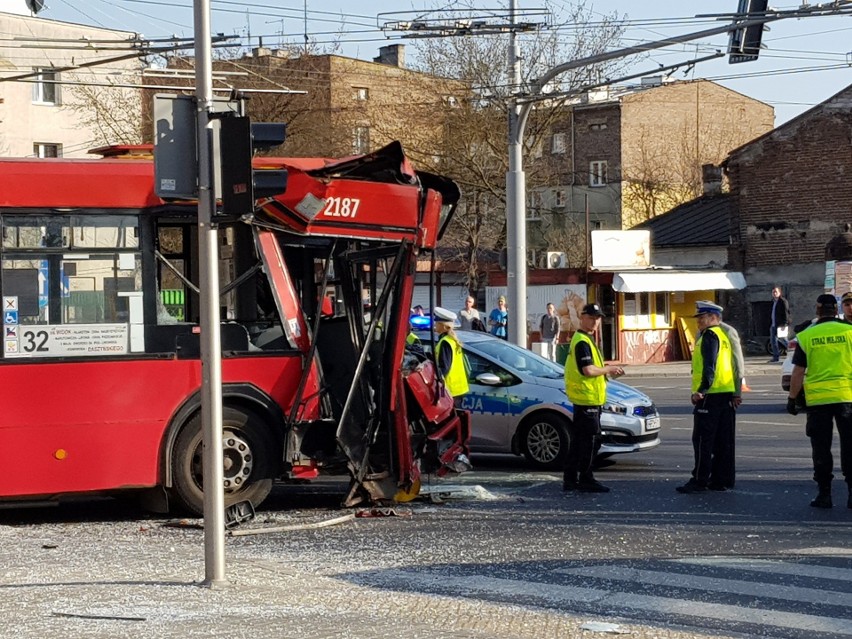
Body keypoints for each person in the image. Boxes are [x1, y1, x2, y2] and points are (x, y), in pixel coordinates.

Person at [786, 293, 852, 509]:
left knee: (821, 449)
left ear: (817, 310)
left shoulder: (807, 336)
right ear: (836, 309)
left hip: (818, 401)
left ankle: (824, 494)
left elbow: (798, 372)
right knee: (850, 446)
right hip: (847, 397)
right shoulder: (850, 332)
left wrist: (792, 399)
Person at [677, 301, 739, 494]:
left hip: (710, 396)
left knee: (703, 441)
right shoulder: (723, 336)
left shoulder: (710, 336)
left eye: (702, 319)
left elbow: (710, 368)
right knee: (723, 442)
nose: (699, 323)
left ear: (714, 318)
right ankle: (721, 480)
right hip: (725, 394)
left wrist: (701, 390)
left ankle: (699, 479)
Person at [563, 303, 624, 493]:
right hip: (586, 399)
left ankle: (571, 479)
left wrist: (606, 371)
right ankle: (585, 478)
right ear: (582, 317)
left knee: (580, 441)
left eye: (598, 318)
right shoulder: (582, 341)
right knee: (589, 442)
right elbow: (588, 370)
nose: (595, 321)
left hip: (588, 399)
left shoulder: (586, 339)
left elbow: (592, 368)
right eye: (591, 317)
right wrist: (608, 369)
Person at [433, 307, 469, 403]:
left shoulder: (445, 342)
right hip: (458, 388)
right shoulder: (452, 340)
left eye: (437, 323)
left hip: (451, 389)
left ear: (444, 326)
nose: (435, 325)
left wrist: (434, 381)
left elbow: (444, 367)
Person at [769, 286, 790, 362]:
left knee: (784, 340)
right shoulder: (773, 302)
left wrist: (784, 323)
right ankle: (775, 357)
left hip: (781, 325)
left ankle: (794, 351)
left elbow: (786, 313)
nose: (774, 293)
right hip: (774, 324)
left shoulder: (783, 301)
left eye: (776, 292)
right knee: (773, 341)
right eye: (773, 292)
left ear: (779, 293)